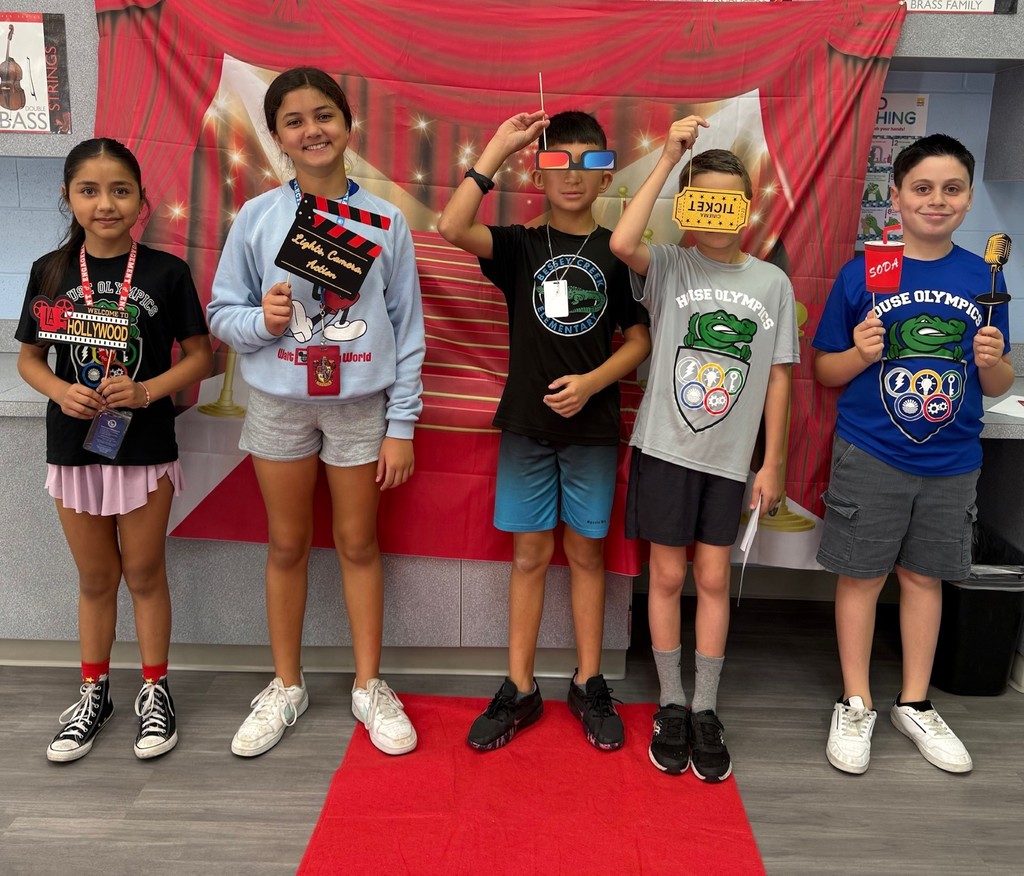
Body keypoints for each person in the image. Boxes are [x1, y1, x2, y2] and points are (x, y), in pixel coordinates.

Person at [207, 67, 425, 758]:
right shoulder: (258, 218)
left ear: (347, 124)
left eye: (324, 114)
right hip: (279, 403)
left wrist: (401, 425)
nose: (312, 129)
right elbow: (221, 314)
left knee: (360, 545)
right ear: (278, 138)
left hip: (361, 405)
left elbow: (409, 329)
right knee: (287, 545)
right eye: (295, 120)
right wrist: (265, 322)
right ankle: (287, 685)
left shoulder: (386, 222)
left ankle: (368, 684)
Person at [437, 110, 651, 751]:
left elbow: (639, 339)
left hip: (591, 429)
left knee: (586, 554)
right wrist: (498, 145)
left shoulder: (619, 253)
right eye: (559, 161)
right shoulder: (521, 246)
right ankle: (520, 686)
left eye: (589, 162)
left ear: (607, 173)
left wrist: (591, 383)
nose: (573, 176)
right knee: (530, 556)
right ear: (539, 170)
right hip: (526, 426)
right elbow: (451, 226)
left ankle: (589, 682)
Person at [814, 133, 1013, 775]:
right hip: (871, 450)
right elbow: (824, 371)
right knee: (863, 576)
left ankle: (916, 701)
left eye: (951, 188)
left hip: (952, 457)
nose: (936, 200)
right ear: (894, 196)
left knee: (925, 576)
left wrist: (993, 363)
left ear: (968, 197)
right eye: (921, 188)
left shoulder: (984, 275)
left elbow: (999, 379)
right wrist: (861, 353)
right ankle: (856, 700)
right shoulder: (866, 270)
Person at [610, 118, 799, 781]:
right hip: (665, 449)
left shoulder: (772, 283)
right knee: (665, 577)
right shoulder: (671, 265)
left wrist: (771, 462)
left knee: (713, 578)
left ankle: (706, 707)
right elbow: (622, 240)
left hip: (729, 462)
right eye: (705, 200)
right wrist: (666, 158)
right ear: (687, 208)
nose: (718, 213)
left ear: (748, 209)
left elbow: (778, 377)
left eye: (729, 201)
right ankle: (669, 702)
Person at [16, 138, 213, 762]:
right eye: (90, 190)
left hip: (145, 446)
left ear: (141, 201)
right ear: (69, 198)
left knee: (145, 573)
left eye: (120, 190)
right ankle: (93, 691)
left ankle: (155, 691)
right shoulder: (49, 272)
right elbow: (29, 361)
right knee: (96, 577)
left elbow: (202, 357)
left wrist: (148, 389)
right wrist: (59, 390)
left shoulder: (165, 272)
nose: (106, 204)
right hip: (74, 447)